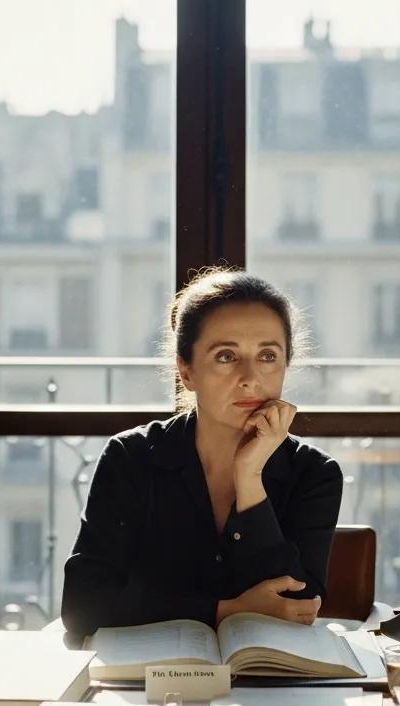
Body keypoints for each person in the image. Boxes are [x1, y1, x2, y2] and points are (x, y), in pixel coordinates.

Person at [60, 268, 343, 639]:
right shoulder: (130, 457)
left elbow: (297, 606)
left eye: (268, 355)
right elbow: (83, 606)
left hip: (268, 685)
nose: (250, 377)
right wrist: (229, 611)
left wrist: (250, 477)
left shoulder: (315, 472)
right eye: (226, 356)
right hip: (146, 683)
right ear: (186, 372)